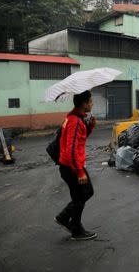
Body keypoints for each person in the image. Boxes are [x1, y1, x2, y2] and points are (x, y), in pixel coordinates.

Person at [55, 90, 97, 241]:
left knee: (81, 195)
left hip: (70, 165)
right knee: (84, 194)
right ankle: (73, 226)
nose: (92, 104)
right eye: (91, 101)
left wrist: (90, 127)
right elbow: (71, 149)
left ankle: (70, 222)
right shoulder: (75, 121)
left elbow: (79, 140)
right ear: (84, 103)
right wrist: (79, 172)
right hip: (71, 166)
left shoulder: (75, 118)